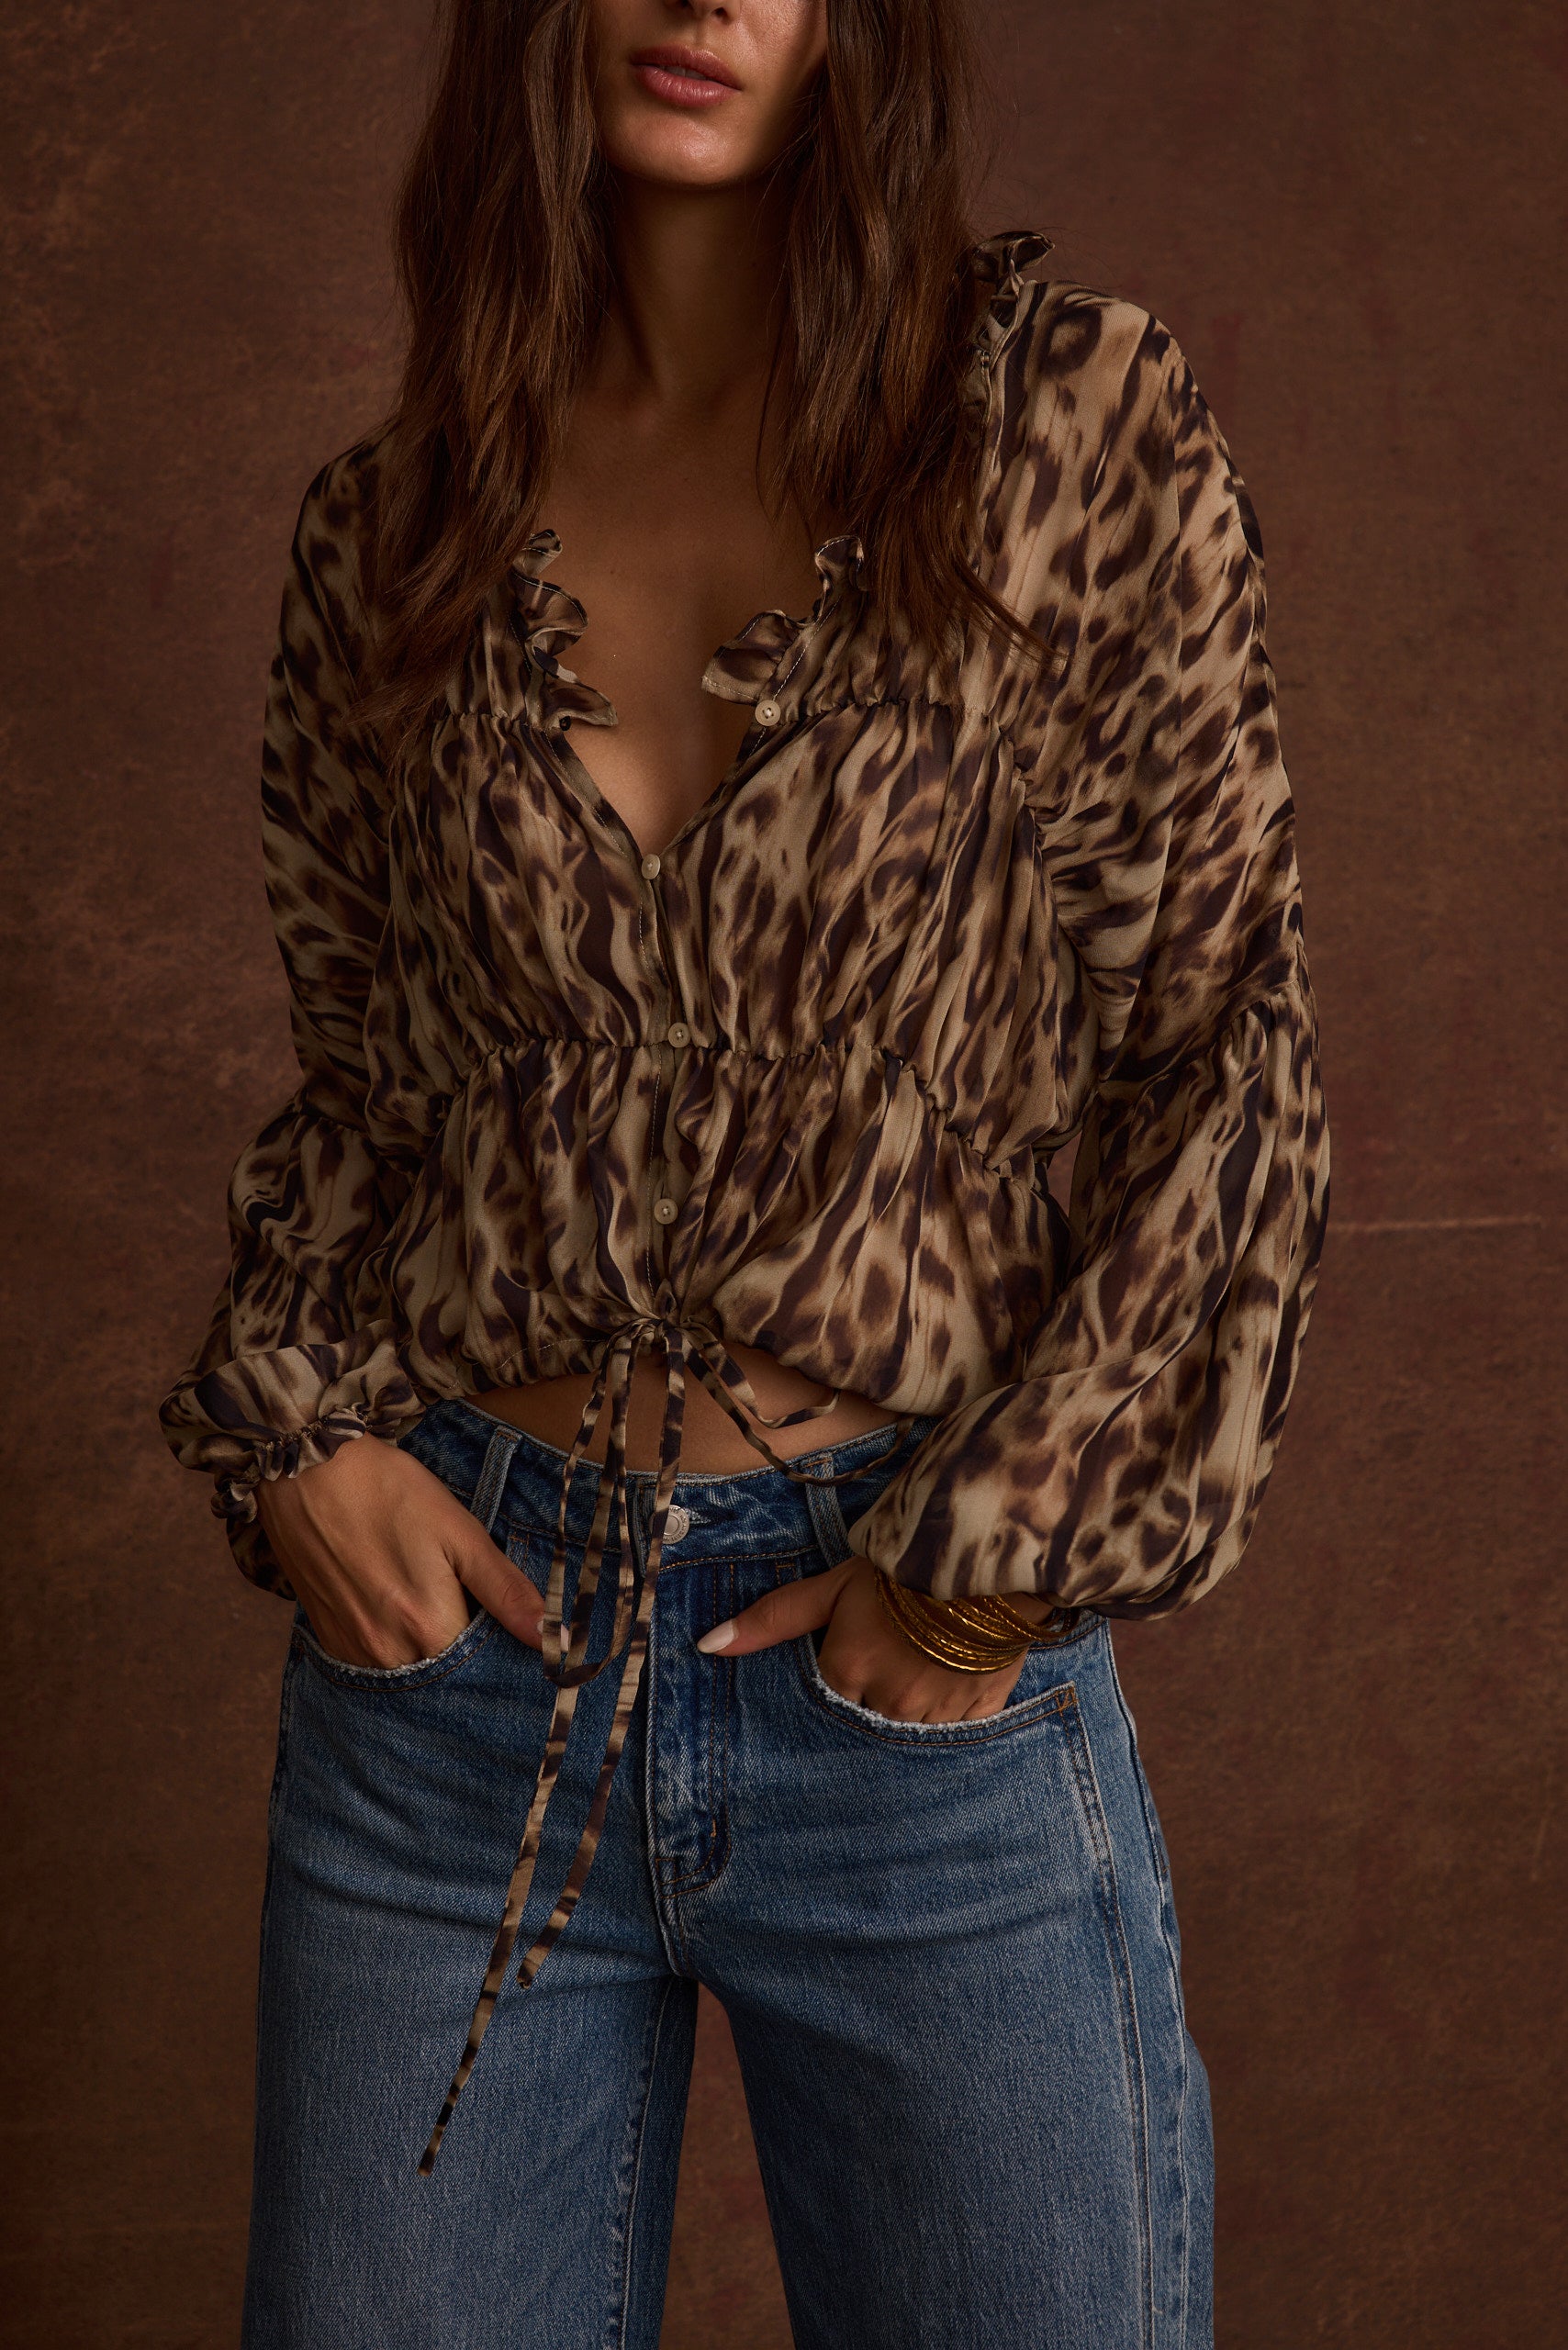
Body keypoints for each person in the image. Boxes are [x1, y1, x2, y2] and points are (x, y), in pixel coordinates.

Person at [161, 1, 1329, 2343]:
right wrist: (299, 1433)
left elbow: (1218, 1052)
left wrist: (980, 1579)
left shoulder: (1067, 428)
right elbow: (374, 1100)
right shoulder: (387, 529)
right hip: (457, 1684)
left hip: (907, 1669)